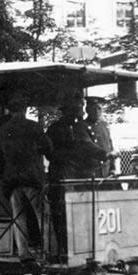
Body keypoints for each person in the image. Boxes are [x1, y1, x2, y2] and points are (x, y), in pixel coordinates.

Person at [45, 90, 111, 261]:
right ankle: (63, 250)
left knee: (82, 214)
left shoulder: (80, 126)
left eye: (80, 109)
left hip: (77, 175)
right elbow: (50, 152)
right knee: (62, 213)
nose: (79, 112)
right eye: (75, 109)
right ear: (66, 111)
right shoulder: (56, 128)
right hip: (62, 175)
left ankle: (81, 248)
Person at [0, 94, 53, 261]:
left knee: (18, 216)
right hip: (32, 177)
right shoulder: (34, 127)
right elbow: (48, 147)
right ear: (25, 109)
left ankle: (23, 253)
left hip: (12, 179)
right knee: (42, 214)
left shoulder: (3, 130)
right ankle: (48, 251)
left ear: (10, 110)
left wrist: (5, 166)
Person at [85, 97, 116, 177]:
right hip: (90, 172)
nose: (96, 111)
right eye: (93, 108)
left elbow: (110, 146)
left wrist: (113, 168)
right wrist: (106, 155)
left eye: (99, 108)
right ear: (87, 109)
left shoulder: (104, 126)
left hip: (106, 172)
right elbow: (87, 145)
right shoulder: (81, 126)